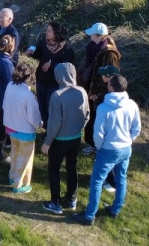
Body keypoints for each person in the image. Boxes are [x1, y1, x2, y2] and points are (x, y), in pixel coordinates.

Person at [75, 75, 141, 226]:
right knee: (121, 179)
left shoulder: (103, 108)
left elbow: (98, 133)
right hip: (125, 149)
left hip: (108, 150)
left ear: (111, 88)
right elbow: (136, 128)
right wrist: (129, 140)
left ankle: (89, 215)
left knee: (97, 181)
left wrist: (100, 147)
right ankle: (115, 209)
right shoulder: (132, 105)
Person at [41, 62, 90, 214]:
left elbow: (55, 123)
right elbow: (87, 114)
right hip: (76, 139)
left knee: (54, 169)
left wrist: (47, 142)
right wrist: (79, 129)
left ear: (58, 76)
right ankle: (71, 199)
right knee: (71, 168)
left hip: (59, 140)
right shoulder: (82, 91)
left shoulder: (57, 95)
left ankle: (55, 203)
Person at [79, 23, 122, 155]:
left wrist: (99, 93)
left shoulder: (109, 54)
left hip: (101, 93)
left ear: (99, 36)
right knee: (91, 117)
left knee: (100, 121)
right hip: (91, 89)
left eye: (92, 34)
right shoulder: (92, 47)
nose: (90, 36)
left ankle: (100, 147)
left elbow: (112, 76)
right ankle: (92, 144)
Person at [2, 60, 42, 194]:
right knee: (25, 159)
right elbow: (34, 119)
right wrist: (40, 124)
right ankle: (20, 185)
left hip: (11, 128)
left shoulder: (10, 86)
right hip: (25, 132)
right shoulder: (28, 96)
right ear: (30, 77)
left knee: (14, 154)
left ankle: (12, 177)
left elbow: (4, 105)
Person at [29, 22, 75, 128]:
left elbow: (68, 67)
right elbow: (39, 54)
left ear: (56, 33)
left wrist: (52, 64)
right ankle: (46, 128)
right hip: (41, 79)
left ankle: (53, 130)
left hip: (55, 83)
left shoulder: (66, 49)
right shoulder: (44, 43)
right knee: (42, 106)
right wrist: (32, 52)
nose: (47, 32)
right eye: (47, 30)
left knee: (52, 108)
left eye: (49, 31)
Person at [0, 35, 17, 163]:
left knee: (2, 125)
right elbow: (10, 83)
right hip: (5, 98)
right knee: (2, 127)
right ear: (11, 46)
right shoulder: (6, 63)